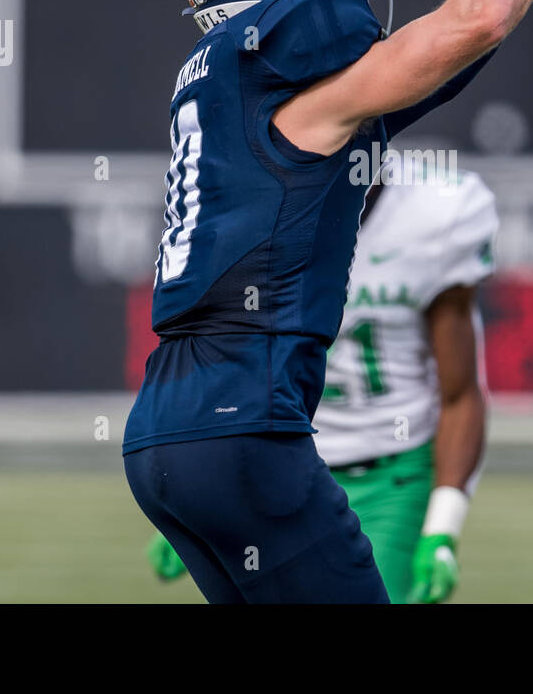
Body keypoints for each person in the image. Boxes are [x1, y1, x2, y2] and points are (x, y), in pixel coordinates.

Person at [122, 0, 533, 603]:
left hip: (163, 430)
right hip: (247, 422)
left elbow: (450, 53)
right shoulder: (282, 83)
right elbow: (473, 19)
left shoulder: (239, 89)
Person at [147, 167, 498, 603]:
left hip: (394, 477)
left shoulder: (437, 213)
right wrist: (204, 492)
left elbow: (460, 393)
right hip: (280, 471)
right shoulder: (257, 209)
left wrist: (442, 528)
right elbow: (233, 365)